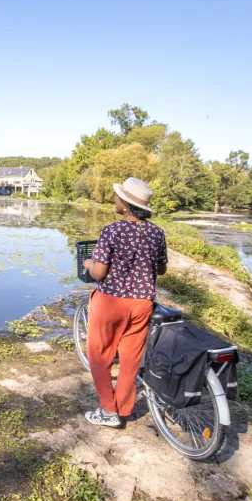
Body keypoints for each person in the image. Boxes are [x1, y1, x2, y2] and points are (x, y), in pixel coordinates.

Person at [81, 177, 168, 428]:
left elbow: (99, 273)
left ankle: (108, 410)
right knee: (130, 358)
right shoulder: (156, 232)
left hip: (111, 302)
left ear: (127, 205)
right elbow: (161, 269)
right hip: (141, 304)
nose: (115, 200)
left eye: (118, 197)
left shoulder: (112, 230)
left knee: (99, 355)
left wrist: (88, 263)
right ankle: (123, 409)